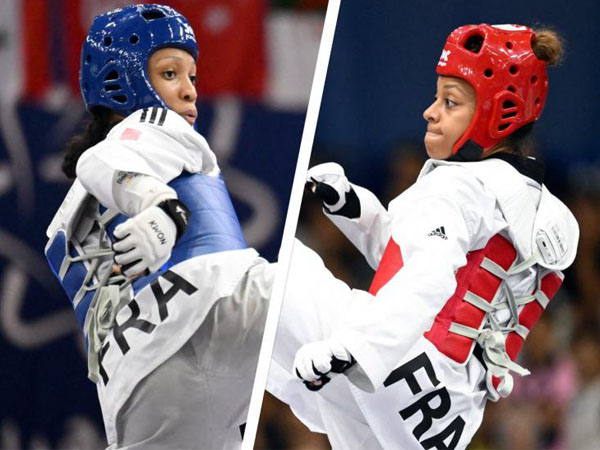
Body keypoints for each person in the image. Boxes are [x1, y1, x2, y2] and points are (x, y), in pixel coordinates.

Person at [267, 24, 579, 449]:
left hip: (401, 366)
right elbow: (417, 266)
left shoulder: (461, 187)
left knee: (273, 269)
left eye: (450, 102)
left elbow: (429, 279)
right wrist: (353, 209)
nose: (430, 112)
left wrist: (359, 348)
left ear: (496, 112)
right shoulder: (530, 202)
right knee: (265, 350)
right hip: (448, 417)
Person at [44, 5, 273, 449]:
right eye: (171, 74)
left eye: (193, 77)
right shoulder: (148, 125)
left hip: (137, 384)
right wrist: (162, 208)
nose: (190, 92)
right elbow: (104, 159)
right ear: (123, 84)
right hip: (219, 301)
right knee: (336, 314)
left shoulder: (61, 225)